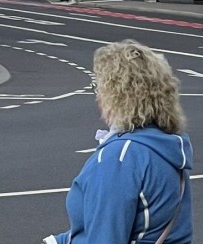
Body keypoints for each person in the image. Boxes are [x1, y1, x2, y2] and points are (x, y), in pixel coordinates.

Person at [45, 40, 193, 244]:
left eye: (98, 86)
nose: (97, 94)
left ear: (116, 95)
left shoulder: (120, 158)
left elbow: (104, 238)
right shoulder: (167, 147)